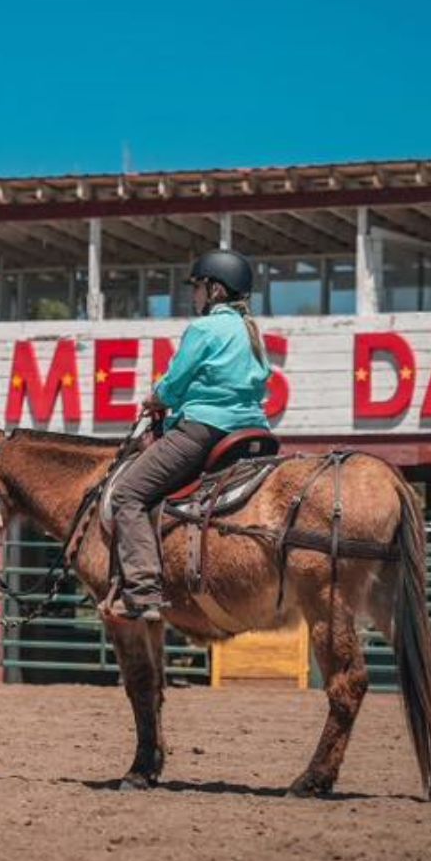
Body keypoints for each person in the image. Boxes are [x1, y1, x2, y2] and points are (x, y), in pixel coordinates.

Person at [100, 249, 272, 622]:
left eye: (197, 288)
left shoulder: (205, 329)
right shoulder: (253, 333)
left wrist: (156, 398)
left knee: (128, 494)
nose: (193, 296)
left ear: (215, 290)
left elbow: (176, 381)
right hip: (254, 431)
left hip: (205, 431)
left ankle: (143, 591)